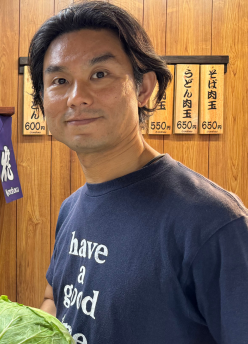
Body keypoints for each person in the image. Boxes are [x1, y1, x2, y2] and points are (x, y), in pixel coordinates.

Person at [29, 2, 248, 343]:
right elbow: (57, 301)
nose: (76, 97)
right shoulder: (71, 208)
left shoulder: (213, 222)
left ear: (144, 88)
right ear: (44, 102)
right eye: (59, 80)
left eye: (99, 75)